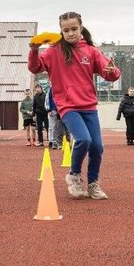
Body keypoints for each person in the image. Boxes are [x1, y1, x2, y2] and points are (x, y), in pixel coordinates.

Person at [28, 11, 120, 200]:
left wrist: (113, 71)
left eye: (74, 29)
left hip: (89, 106)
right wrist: (34, 50)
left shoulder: (91, 50)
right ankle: (74, 175)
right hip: (67, 106)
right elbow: (35, 67)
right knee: (83, 140)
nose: (70, 33)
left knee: (97, 147)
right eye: (66, 30)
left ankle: (93, 184)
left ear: (81, 28)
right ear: (61, 31)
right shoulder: (54, 51)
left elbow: (110, 73)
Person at [46, 85, 65, 149]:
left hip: (61, 109)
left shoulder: (63, 86)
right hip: (53, 109)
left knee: (61, 127)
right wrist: (49, 110)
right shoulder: (51, 88)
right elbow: (48, 99)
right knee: (54, 126)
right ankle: (54, 142)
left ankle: (61, 142)